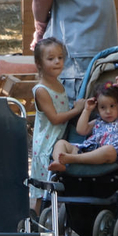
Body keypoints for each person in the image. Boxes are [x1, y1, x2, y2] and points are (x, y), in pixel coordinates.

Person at [31, 0, 117, 102]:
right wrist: (40, 29)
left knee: (96, 119)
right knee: (75, 117)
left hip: (93, 52)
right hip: (77, 54)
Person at [29, 38, 85, 214]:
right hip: (45, 146)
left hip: (57, 142)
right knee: (41, 191)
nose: (57, 62)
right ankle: (33, 223)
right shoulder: (41, 90)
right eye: (51, 58)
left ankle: (55, 226)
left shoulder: (58, 84)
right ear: (39, 63)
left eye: (60, 57)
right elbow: (54, 118)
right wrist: (76, 110)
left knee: (55, 188)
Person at [48, 76, 118, 172]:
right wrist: (87, 110)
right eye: (103, 107)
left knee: (109, 150)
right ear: (97, 109)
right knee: (61, 143)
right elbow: (81, 130)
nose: (108, 111)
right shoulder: (97, 122)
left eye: (112, 106)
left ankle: (72, 158)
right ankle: (58, 162)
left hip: (108, 156)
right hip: (87, 151)